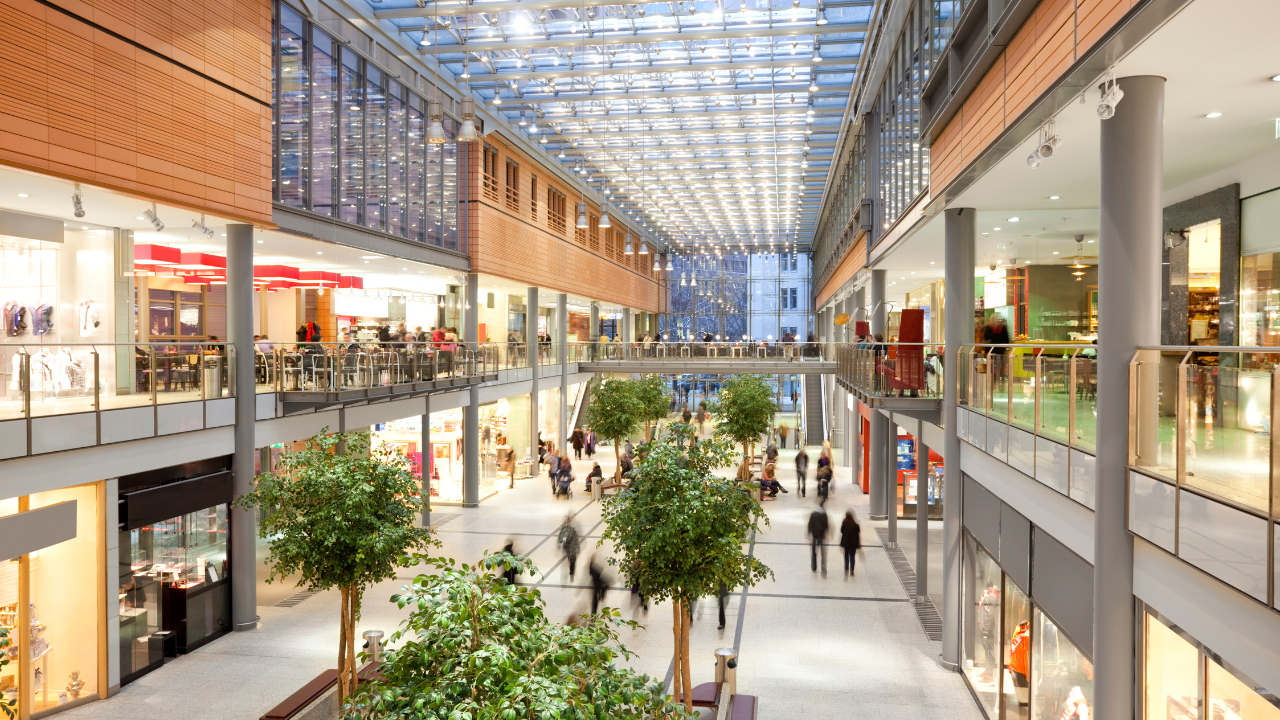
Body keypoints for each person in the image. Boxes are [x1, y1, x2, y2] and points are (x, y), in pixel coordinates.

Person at [807, 507, 829, 576]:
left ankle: (814, 566)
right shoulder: (824, 515)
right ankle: (823, 566)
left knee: (814, 552)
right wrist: (825, 533)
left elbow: (810, 524)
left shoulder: (813, 515)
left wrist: (808, 534)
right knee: (823, 553)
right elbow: (826, 525)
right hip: (821, 536)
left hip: (814, 536)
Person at [839, 511, 861, 577]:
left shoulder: (844, 523)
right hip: (853, 544)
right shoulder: (855, 525)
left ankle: (846, 568)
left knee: (846, 556)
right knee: (852, 556)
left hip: (846, 543)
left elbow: (841, 531)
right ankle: (852, 570)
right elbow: (858, 532)